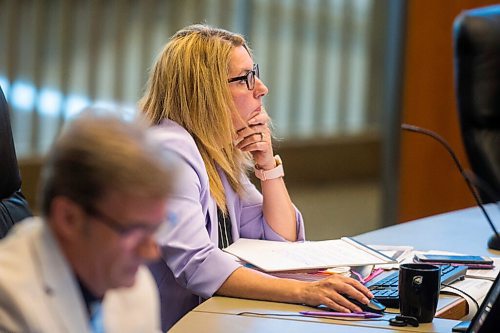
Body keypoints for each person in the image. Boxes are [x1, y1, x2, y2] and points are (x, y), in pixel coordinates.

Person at [140, 24, 374, 330]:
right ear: (205, 91)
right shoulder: (169, 153)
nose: (261, 88)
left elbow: (280, 240)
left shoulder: (213, 152)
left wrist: (268, 166)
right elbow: (197, 265)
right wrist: (304, 292)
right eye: (244, 79)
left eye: (255, 73)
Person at [0, 108, 174, 333]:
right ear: (69, 218)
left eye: (157, 228)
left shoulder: (132, 281)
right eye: (134, 230)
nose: (151, 252)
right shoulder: (9, 300)